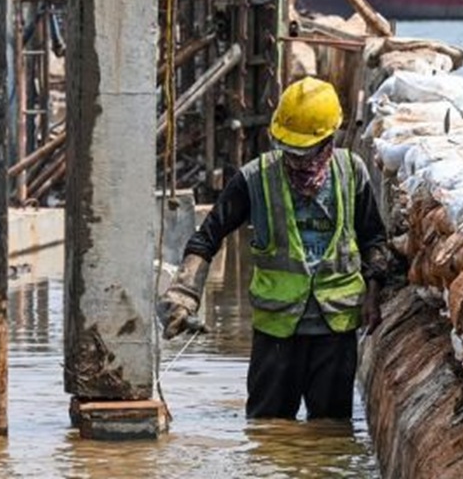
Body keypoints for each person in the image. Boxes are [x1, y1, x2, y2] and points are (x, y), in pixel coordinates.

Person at [157, 76, 389, 420]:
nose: (295, 160)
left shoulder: (352, 173)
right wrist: (182, 296)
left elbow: (373, 240)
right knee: (267, 432)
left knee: (331, 434)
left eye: (304, 152)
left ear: (328, 141)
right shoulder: (255, 178)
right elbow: (207, 238)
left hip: (336, 330)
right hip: (276, 331)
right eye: (288, 150)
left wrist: (373, 294)